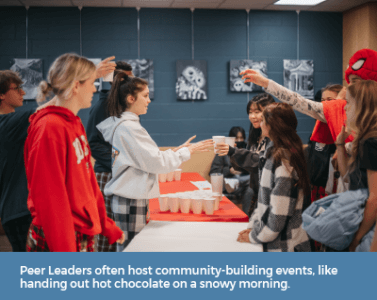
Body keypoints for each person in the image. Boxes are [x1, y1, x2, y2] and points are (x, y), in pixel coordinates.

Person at [97, 72, 213, 251]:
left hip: (131, 197)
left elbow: (144, 158)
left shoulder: (129, 126)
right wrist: (185, 152)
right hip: (130, 198)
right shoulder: (129, 127)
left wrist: (176, 151)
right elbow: (155, 162)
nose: (149, 100)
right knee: (132, 250)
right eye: (145, 96)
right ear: (130, 98)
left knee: (131, 249)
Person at [24, 53, 125, 252]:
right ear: (76, 86)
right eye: (91, 82)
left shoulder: (73, 122)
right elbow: (51, 200)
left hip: (80, 231)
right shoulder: (49, 129)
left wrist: (105, 224)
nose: (95, 88)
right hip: (60, 238)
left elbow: (87, 182)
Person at [241, 49, 377, 146]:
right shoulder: (339, 108)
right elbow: (299, 102)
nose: (350, 86)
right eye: (350, 81)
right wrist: (266, 83)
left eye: (356, 81)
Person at [235, 103, 312, 252]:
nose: (259, 123)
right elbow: (264, 200)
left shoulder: (284, 161)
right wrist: (253, 228)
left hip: (286, 246)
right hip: (273, 239)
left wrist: (254, 236)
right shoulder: (272, 153)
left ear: (273, 125)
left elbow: (277, 217)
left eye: (263, 120)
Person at [86, 61, 133, 252]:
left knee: (122, 231)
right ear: (116, 81)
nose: (130, 83)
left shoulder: (124, 105)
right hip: (107, 175)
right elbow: (93, 142)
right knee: (107, 235)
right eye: (126, 79)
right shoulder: (103, 105)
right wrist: (119, 162)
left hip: (123, 174)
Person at [334, 80, 377, 251]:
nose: (345, 108)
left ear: (361, 106)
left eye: (349, 102)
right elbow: (348, 178)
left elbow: (374, 199)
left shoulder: (370, 142)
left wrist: (356, 239)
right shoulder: (364, 138)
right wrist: (339, 144)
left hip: (368, 230)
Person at [216, 93, 275, 217]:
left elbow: (261, 162)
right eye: (250, 112)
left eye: (257, 112)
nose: (253, 116)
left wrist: (234, 152)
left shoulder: (275, 138)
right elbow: (247, 165)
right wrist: (235, 158)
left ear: (269, 111)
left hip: (271, 193)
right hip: (256, 190)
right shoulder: (256, 134)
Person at [209, 126, 252, 214]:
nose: (239, 140)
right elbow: (214, 171)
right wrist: (229, 171)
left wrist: (244, 169)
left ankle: (247, 217)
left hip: (245, 183)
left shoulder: (248, 150)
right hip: (228, 183)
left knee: (251, 188)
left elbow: (255, 168)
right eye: (236, 138)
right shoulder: (222, 151)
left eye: (241, 138)